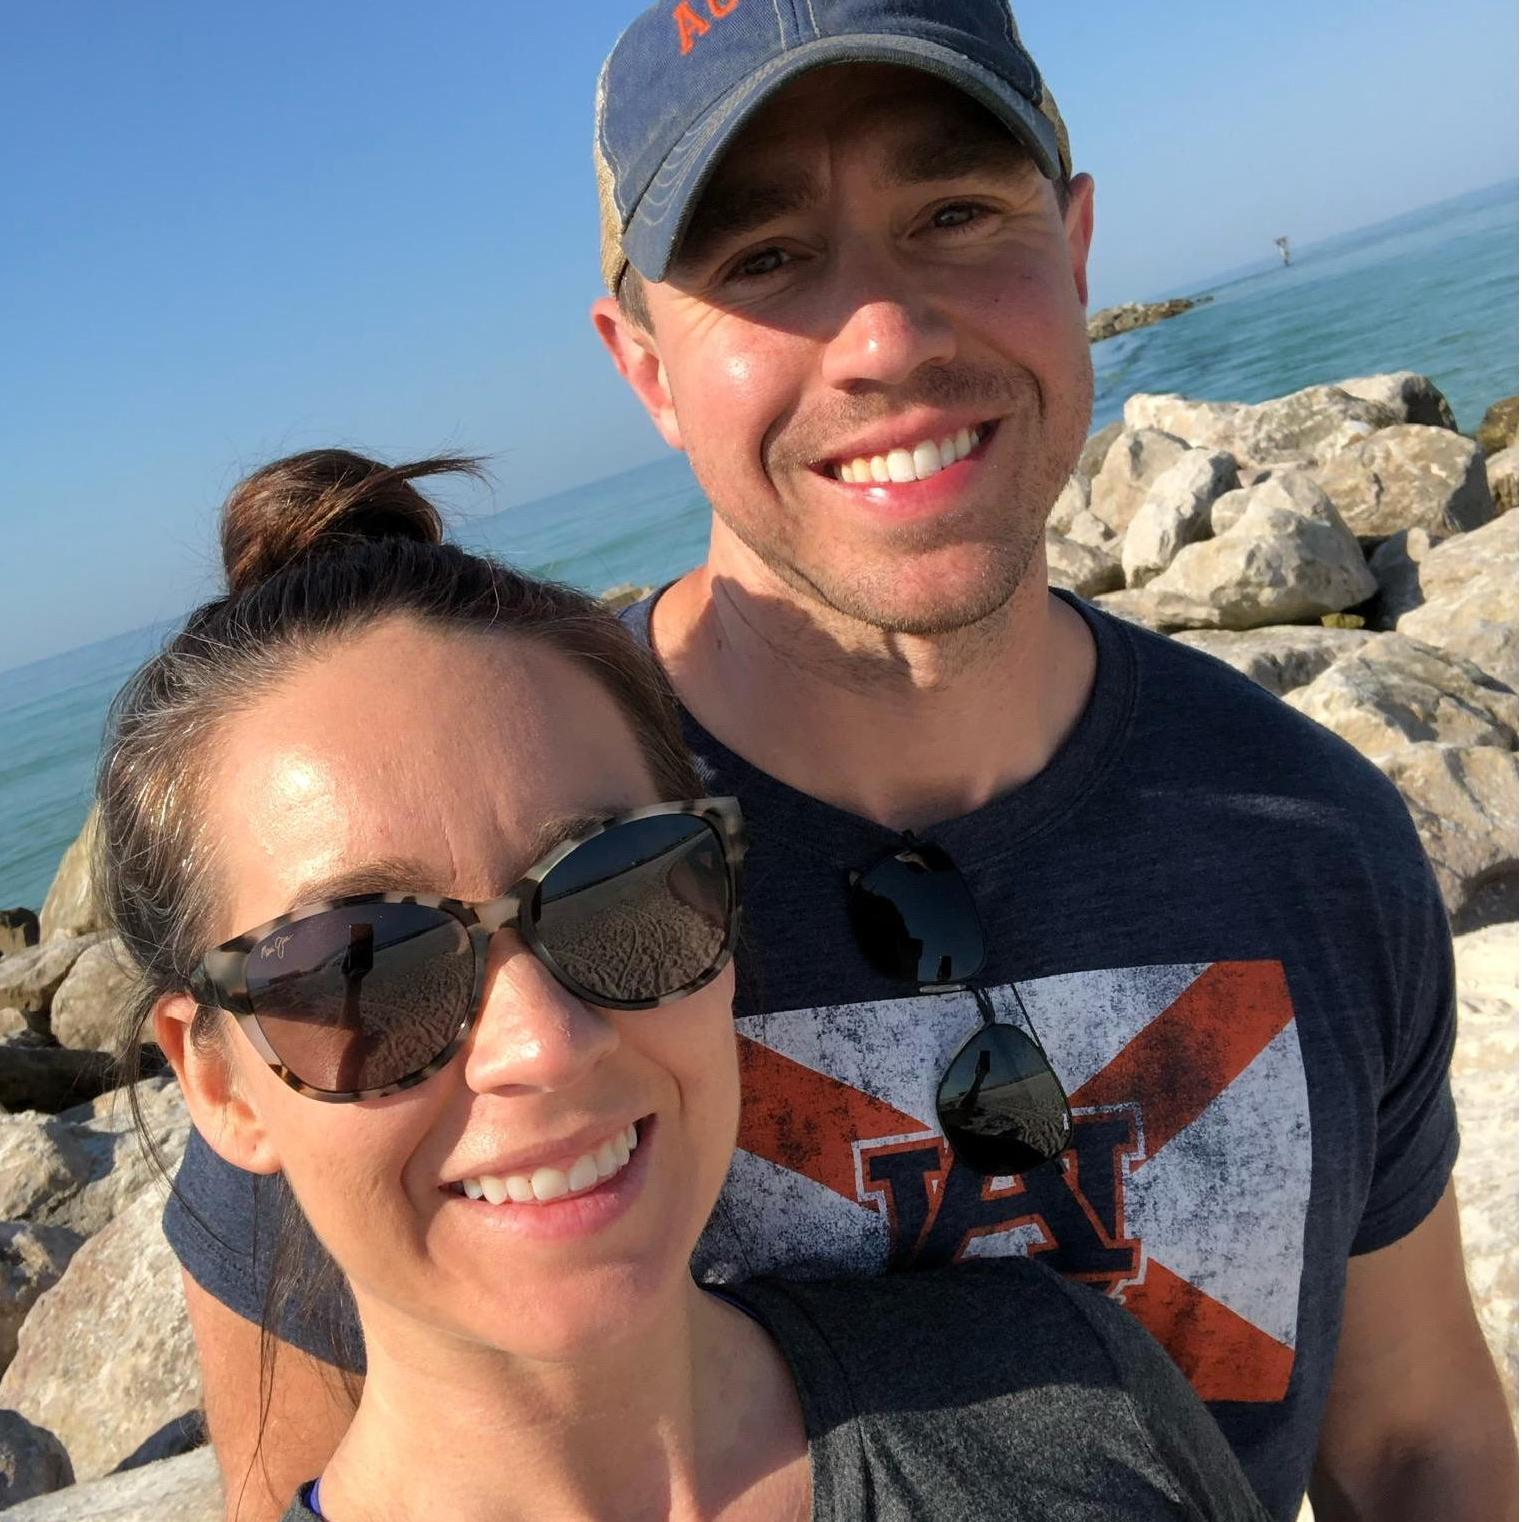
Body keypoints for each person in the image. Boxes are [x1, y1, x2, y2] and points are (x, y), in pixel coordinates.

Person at [164, 5, 1517, 1521]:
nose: (885, 338)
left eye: (954, 214)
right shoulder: (414, 942)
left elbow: (1414, 1441)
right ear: (644, 367)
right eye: (764, 259)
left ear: (1075, 252)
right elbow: (318, 1481)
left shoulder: (1314, 836)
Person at [100, 448, 1273, 1522]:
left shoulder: (1072, 1400)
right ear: (222, 1083)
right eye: (364, 965)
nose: (543, 1041)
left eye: (614, 891)